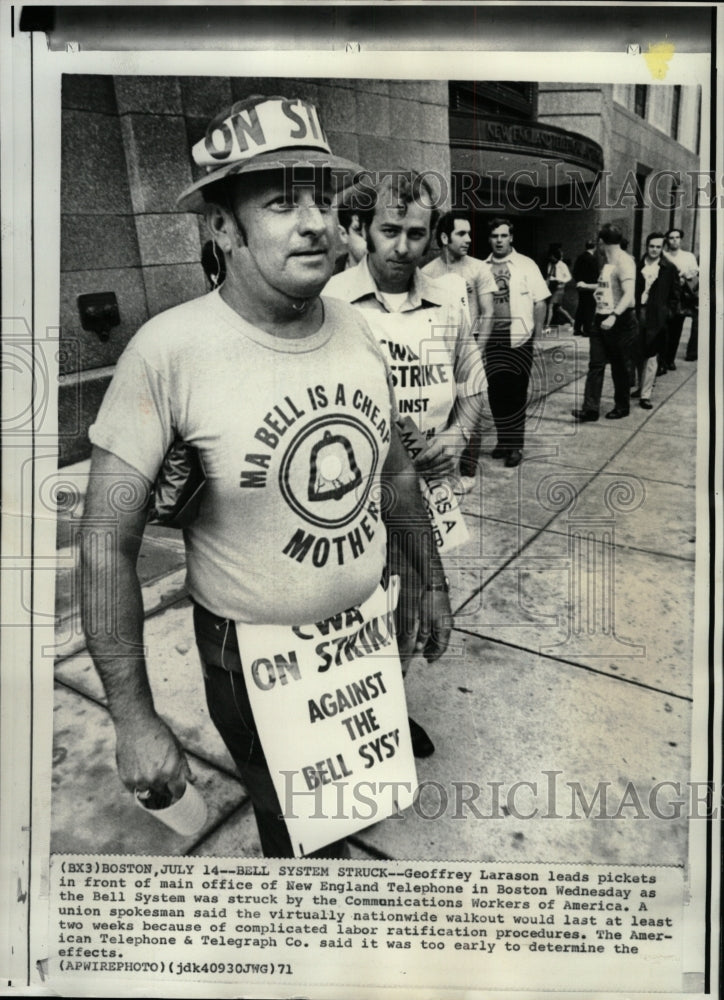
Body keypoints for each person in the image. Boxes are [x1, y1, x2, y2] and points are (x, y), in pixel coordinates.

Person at [79, 95, 452, 859]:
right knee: (302, 844)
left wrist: (430, 580)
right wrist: (135, 719)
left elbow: (397, 477)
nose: (315, 221)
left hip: (362, 636)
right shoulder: (167, 352)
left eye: (320, 197)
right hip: (254, 663)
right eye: (281, 202)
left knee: (353, 805)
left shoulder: (356, 326)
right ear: (222, 226)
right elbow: (102, 546)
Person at [325, 172, 486, 755]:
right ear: (361, 230)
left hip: (428, 484)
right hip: (354, 492)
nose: (401, 246)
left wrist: (459, 436)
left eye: (416, 233)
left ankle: (390, 708)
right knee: (354, 609)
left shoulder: (450, 300)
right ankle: (349, 721)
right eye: (388, 230)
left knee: (414, 602)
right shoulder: (330, 300)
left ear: (432, 236)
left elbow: (474, 385)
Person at [421, 211, 495, 489]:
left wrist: (476, 351)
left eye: (469, 233)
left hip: (472, 345)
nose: (468, 239)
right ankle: (442, 469)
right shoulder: (427, 273)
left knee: (470, 406)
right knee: (441, 408)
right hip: (439, 350)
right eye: (461, 234)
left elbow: (488, 313)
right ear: (443, 237)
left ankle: (467, 471)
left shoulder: (478, 269)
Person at [483, 217, 550, 467]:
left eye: (503, 235)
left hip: (520, 337)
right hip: (492, 339)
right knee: (495, 392)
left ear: (511, 237)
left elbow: (540, 301)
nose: (499, 240)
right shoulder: (482, 267)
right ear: (489, 239)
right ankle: (503, 440)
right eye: (494, 236)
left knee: (516, 394)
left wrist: (539, 335)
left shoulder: (526, 265)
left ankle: (515, 446)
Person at [572, 223, 638, 423]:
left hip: (620, 319)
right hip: (601, 317)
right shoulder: (608, 262)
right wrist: (588, 286)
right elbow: (609, 287)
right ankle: (590, 409)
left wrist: (614, 316)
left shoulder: (624, 262)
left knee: (620, 366)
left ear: (601, 242)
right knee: (596, 364)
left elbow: (629, 294)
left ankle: (622, 406)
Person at [632, 232, 680, 410]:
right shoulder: (637, 266)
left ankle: (646, 394)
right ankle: (640, 387)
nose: (654, 250)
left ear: (663, 248)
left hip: (656, 317)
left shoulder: (669, 268)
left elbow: (675, 295)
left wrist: (667, 313)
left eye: (658, 247)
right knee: (638, 353)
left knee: (652, 356)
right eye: (651, 246)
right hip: (637, 313)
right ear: (647, 246)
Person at [662, 227, 699, 368]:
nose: (674, 240)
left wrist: (684, 275)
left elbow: (694, 273)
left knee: (676, 329)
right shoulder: (664, 255)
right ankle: (663, 359)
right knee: (664, 329)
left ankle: (670, 359)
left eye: (677, 237)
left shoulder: (688, 256)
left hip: (681, 298)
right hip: (665, 296)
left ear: (681, 239)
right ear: (667, 240)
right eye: (671, 238)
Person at [572, 239, 599, 336]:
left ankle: (577, 328)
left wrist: (579, 281)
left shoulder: (580, 257)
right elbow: (596, 274)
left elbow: (575, 272)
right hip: (590, 286)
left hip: (580, 286)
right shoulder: (593, 259)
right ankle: (587, 329)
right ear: (595, 247)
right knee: (590, 307)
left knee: (581, 306)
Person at [544, 246, 574, 329]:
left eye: (552, 256)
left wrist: (559, 280)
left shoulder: (562, 265)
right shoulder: (550, 264)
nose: (551, 258)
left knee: (550, 305)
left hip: (559, 288)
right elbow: (548, 276)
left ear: (555, 256)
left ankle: (547, 326)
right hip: (552, 287)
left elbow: (569, 277)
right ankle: (572, 320)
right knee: (558, 308)